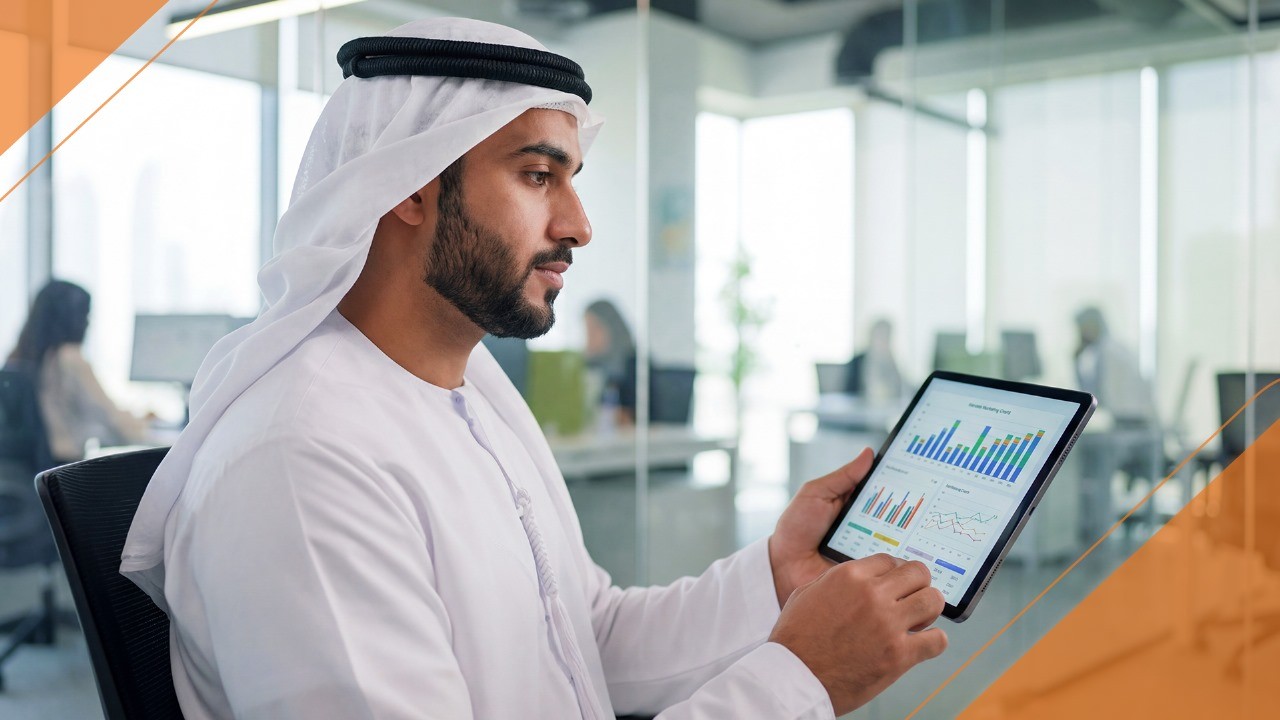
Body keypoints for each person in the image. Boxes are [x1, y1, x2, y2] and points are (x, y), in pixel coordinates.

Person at [121, 18, 947, 719]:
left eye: (570, 180)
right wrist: (797, 681)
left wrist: (773, 575)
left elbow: (586, 637)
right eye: (537, 175)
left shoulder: (472, 390)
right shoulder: (303, 459)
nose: (579, 225)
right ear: (410, 185)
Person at [6, 280, 148, 463]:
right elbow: (113, 419)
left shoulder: (17, 358)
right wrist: (145, 426)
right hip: (65, 469)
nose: (88, 322)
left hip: (30, 470)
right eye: (86, 314)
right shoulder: (69, 358)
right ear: (72, 317)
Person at [583, 298, 636, 426]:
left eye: (594, 329)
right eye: (587, 330)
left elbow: (631, 417)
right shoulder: (589, 366)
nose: (589, 336)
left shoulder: (634, 365)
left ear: (613, 328)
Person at [846, 318, 904, 404]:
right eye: (880, 336)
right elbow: (850, 393)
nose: (883, 341)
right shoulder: (858, 362)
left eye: (886, 337)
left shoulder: (890, 362)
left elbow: (900, 389)